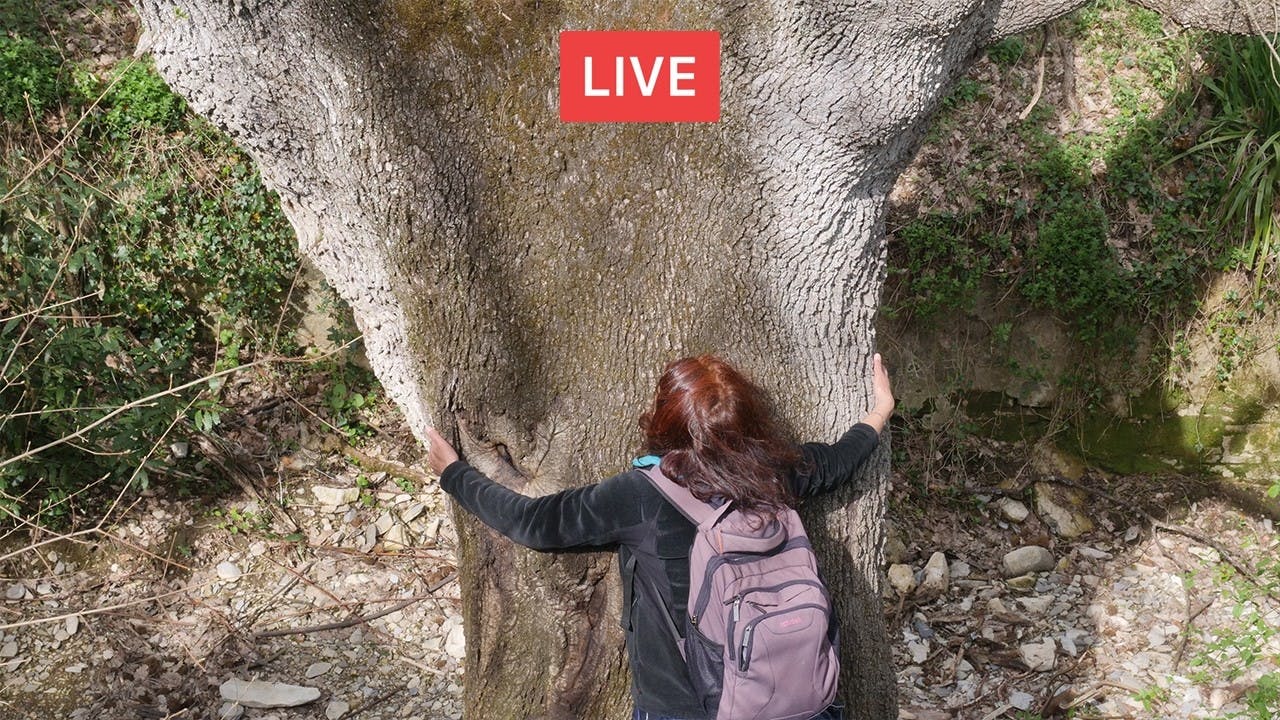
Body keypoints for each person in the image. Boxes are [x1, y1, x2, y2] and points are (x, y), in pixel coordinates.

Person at [425, 353, 895, 720]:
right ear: (749, 424)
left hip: (682, 704)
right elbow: (836, 462)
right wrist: (878, 414)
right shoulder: (774, 474)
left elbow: (533, 522)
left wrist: (454, 474)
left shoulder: (639, 496)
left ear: (663, 422)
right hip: (799, 697)